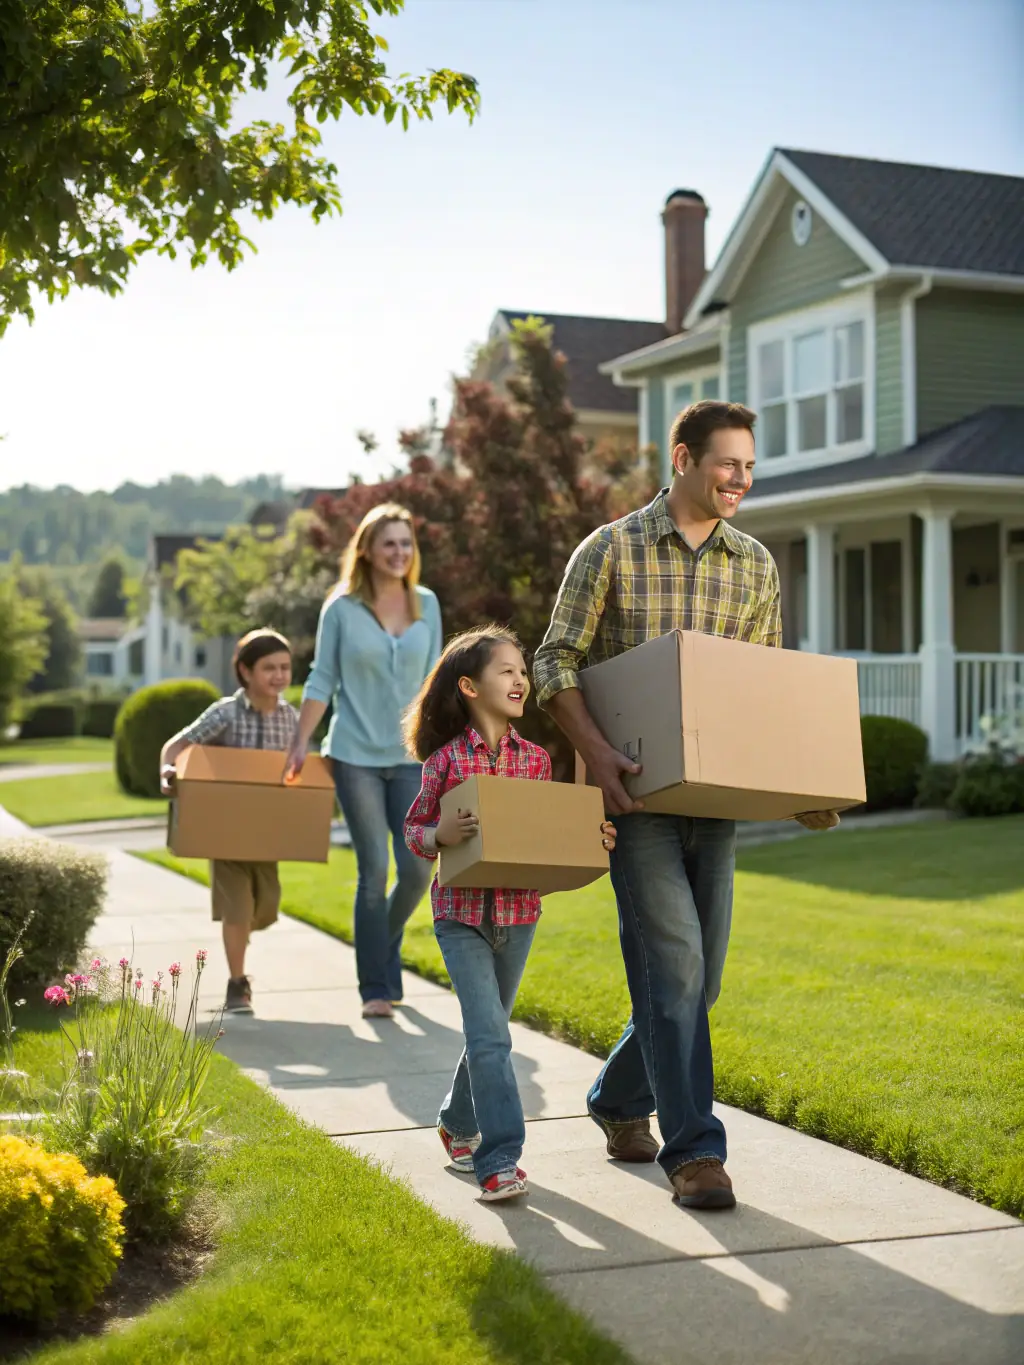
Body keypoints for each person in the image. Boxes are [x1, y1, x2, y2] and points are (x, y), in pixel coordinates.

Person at [533, 400, 839, 1211]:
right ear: (683, 458)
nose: (740, 478)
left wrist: (799, 784)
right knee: (673, 967)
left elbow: (761, 688)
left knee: (699, 985)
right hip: (635, 803)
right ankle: (696, 1151)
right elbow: (552, 659)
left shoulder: (755, 565)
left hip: (717, 799)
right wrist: (596, 756)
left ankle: (617, 1098)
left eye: (749, 465)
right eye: (727, 462)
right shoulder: (611, 550)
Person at [403, 626, 616, 1203]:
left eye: (523, 671)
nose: (521, 679)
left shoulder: (536, 761)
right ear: (470, 687)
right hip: (461, 916)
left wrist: (588, 838)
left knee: (487, 1034)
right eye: (507, 671)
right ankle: (498, 1160)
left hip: (519, 913)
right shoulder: (445, 763)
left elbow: (543, 837)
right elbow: (414, 831)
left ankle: (454, 1119)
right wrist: (439, 833)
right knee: (493, 1038)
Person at [284, 503, 442, 1019]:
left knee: (418, 870)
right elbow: (321, 678)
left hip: (410, 757)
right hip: (353, 754)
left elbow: (435, 685)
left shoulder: (426, 604)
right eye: (389, 543)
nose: (400, 552)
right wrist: (299, 741)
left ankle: (379, 942)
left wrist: (446, 747)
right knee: (374, 869)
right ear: (368, 551)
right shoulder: (342, 609)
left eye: (406, 543)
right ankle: (376, 985)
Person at [160, 628, 298, 1016]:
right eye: (269, 667)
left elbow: (299, 766)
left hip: (266, 830)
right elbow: (177, 745)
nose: (278, 675)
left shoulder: (291, 718)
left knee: (266, 907)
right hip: (224, 831)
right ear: (245, 670)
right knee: (238, 909)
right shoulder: (224, 713)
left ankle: (236, 933)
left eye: (285, 667)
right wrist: (167, 770)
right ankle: (238, 984)